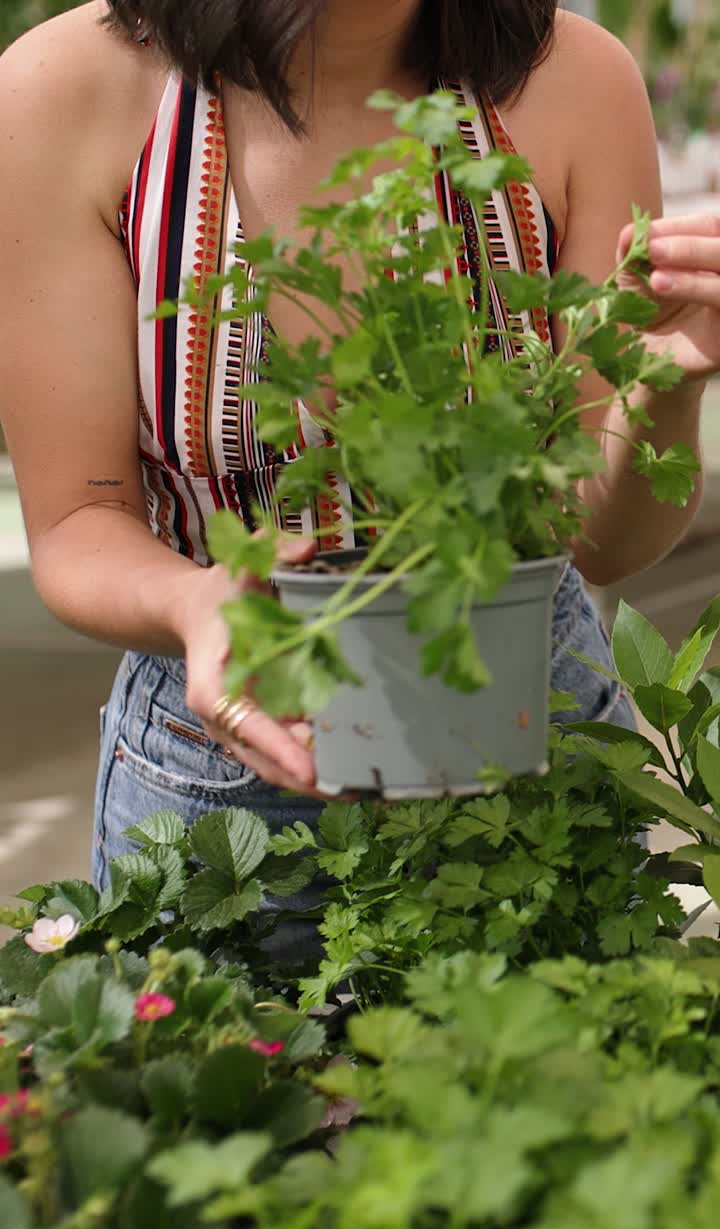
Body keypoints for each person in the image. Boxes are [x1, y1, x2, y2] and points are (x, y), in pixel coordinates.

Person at [0, 0, 718, 893]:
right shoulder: (65, 90)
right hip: (221, 777)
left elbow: (602, 539)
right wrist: (196, 603)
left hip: (534, 736)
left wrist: (664, 388)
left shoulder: (576, 79)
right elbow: (78, 518)